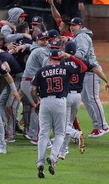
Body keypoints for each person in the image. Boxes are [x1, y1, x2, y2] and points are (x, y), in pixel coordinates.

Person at [31, 49, 87, 178]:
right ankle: (53, 157)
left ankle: (40, 162)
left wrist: (37, 101)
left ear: (50, 59)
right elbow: (83, 67)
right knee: (60, 133)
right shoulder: (65, 68)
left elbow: (32, 89)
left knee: (43, 134)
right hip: (60, 102)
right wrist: (70, 56)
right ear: (60, 59)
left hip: (45, 102)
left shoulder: (42, 71)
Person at [58, 41, 109, 160]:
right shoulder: (82, 62)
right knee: (69, 122)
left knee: (63, 125)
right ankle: (63, 151)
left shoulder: (62, 61)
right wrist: (107, 81)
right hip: (77, 97)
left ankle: (77, 134)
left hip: (66, 97)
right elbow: (97, 70)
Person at [69, 17, 109, 137]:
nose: (72, 27)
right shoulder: (78, 36)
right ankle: (97, 126)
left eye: (74, 25)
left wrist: (68, 55)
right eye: (71, 25)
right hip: (86, 72)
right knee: (87, 100)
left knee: (93, 98)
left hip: (92, 72)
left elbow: (81, 54)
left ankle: (104, 126)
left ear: (81, 26)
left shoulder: (82, 36)